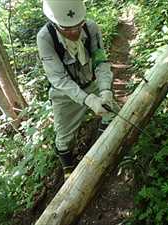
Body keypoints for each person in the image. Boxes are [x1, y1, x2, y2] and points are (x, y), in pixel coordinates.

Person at [37, 0, 118, 179]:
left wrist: (105, 90)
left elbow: (100, 60)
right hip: (63, 93)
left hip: (92, 83)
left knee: (113, 112)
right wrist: (88, 100)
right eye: (67, 29)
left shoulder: (91, 28)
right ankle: (68, 169)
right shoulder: (45, 38)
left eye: (78, 26)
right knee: (64, 138)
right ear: (55, 24)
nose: (74, 32)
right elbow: (59, 78)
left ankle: (102, 149)